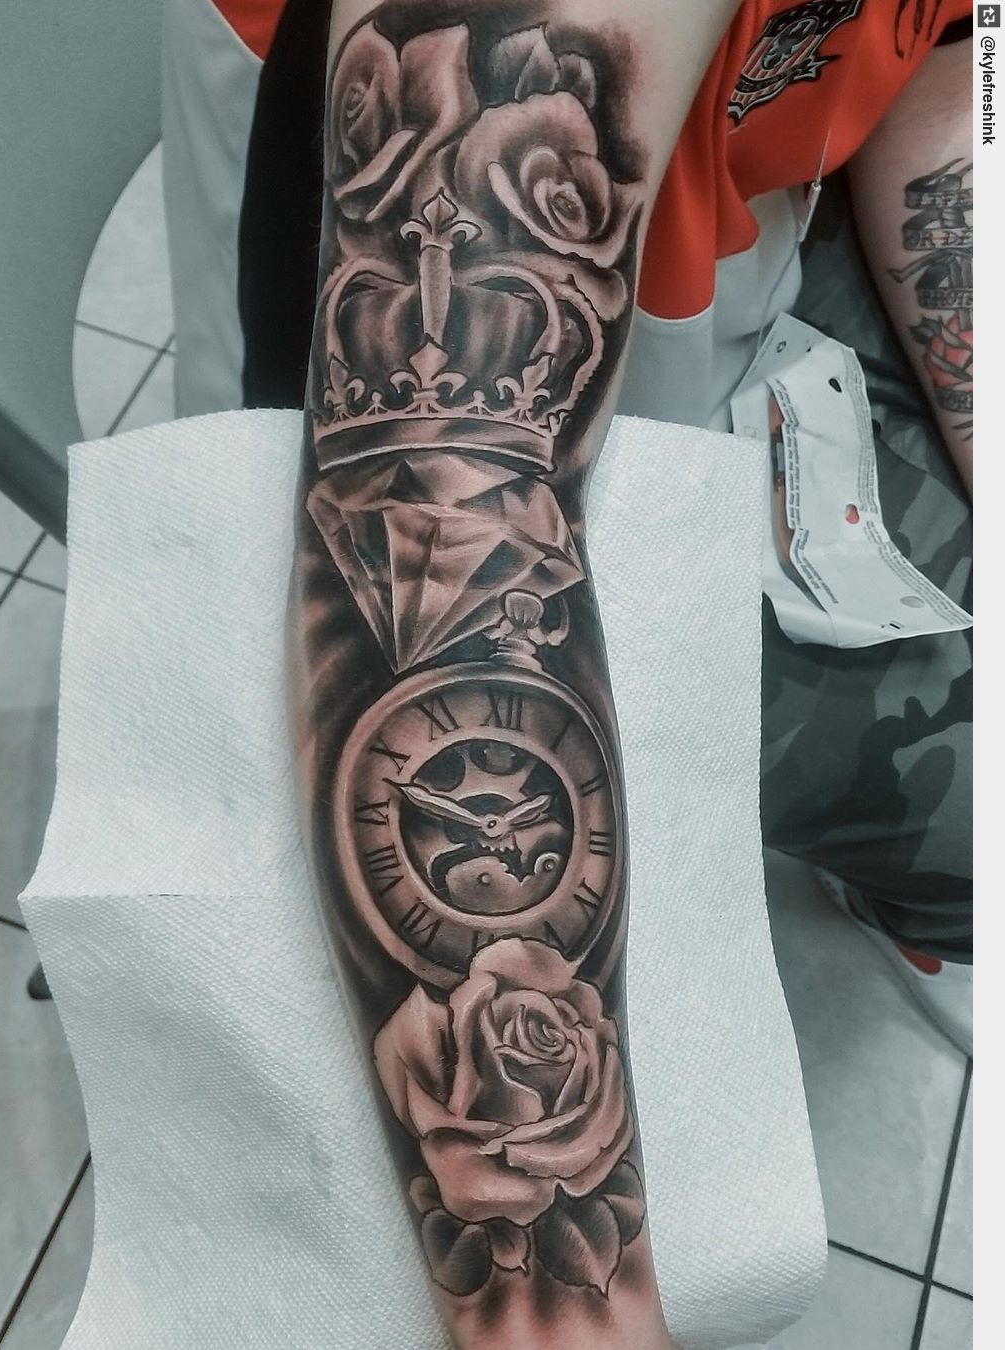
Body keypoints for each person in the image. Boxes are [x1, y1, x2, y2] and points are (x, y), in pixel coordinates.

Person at [162, 0, 972, 1342]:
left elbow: (946, 63)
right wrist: (560, 1319)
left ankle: (905, 895)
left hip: (733, 237)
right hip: (394, 346)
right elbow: (436, 505)